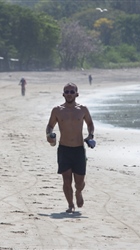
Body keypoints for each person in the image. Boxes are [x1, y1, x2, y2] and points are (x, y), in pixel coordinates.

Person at [46, 82, 95, 213]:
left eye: (71, 92)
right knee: (66, 180)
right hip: (64, 149)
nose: (69, 94)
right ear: (63, 94)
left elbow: (90, 124)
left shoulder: (83, 109)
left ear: (76, 94)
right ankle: (70, 204)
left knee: (79, 182)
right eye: (66, 92)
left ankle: (78, 192)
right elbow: (50, 125)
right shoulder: (57, 110)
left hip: (79, 149)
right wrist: (49, 134)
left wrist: (90, 135)